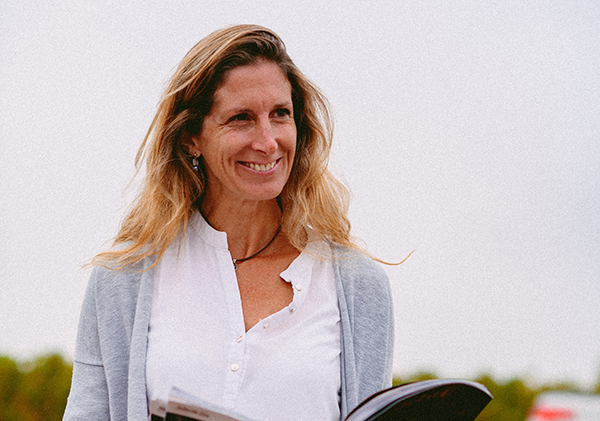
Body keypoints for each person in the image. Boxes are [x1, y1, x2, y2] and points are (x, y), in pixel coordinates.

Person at [63, 24, 394, 421]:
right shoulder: (124, 279)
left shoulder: (357, 286)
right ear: (191, 137)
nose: (267, 142)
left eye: (280, 114)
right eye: (241, 118)